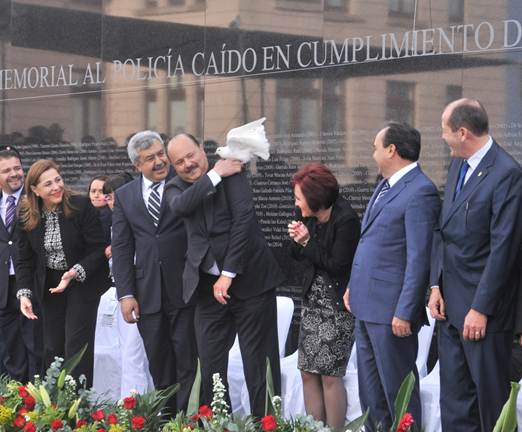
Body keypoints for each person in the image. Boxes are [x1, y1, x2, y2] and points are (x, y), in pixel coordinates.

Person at [165, 133, 284, 417]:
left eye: (191, 155)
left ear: (201, 149)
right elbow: (181, 206)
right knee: (209, 366)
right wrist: (214, 174)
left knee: (259, 366)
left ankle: (265, 423)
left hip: (252, 283)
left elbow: (243, 222)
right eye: (179, 162)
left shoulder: (233, 172)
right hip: (208, 290)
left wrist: (228, 273)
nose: (188, 164)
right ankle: (219, 423)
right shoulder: (176, 187)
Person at [428, 98, 522, 431]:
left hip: (483, 316)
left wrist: (481, 308)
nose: (442, 137)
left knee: (489, 405)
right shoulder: (458, 164)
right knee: (454, 402)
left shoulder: (507, 173)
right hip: (450, 308)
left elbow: (504, 249)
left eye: (444, 130)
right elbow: (444, 230)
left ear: (463, 132)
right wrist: (435, 285)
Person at [344, 122, 440, 431]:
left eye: (375, 147)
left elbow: (418, 258)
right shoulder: (385, 185)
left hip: (391, 312)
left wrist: (404, 310)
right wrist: (352, 286)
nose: (372, 154)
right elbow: (371, 243)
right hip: (365, 305)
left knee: (397, 391)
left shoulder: (421, 191)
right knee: (370, 393)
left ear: (391, 150)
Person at [111, 131, 196, 411]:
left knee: (187, 362)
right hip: (147, 295)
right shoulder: (124, 196)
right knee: (159, 365)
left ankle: (188, 423)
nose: (160, 162)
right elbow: (122, 247)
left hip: (185, 290)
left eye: (162, 154)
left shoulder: (183, 185)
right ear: (137, 165)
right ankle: (167, 420)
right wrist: (125, 294)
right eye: (151, 158)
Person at [16, 159, 110, 385]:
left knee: (76, 346)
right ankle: (56, 407)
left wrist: (73, 273)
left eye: (57, 180)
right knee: (52, 346)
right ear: (35, 191)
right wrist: (24, 294)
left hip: (81, 281)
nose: (56, 187)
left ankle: (78, 406)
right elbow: (24, 259)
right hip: (50, 285)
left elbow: (98, 249)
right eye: (47, 184)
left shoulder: (80, 205)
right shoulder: (26, 214)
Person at [287, 162, 359, 429]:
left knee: (329, 375)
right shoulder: (306, 214)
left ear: (315, 198)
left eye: (298, 197)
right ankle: (313, 427)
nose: (296, 203)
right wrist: (299, 240)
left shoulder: (345, 220)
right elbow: (294, 254)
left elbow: (337, 265)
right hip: (313, 305)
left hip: (337, 307)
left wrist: (307, 242)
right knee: (307, 372)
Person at [93, 173, 154, 399]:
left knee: (135, 353)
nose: (111, 203)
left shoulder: (141, 218)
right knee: (124, 352)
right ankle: (130, 401)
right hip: (122, 294)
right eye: (107, 197)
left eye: (114, 197)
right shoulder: (112, 222)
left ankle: (138, 402)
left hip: (140, 292)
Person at [0, 146, 41, 382]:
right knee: (12, 352)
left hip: (32, 284)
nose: (14, 173)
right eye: (7, 170)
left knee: (35, 348)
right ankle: (17, 408)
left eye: (17, 167)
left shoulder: (35, 200)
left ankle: (40, 405)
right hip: (5, 289)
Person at [88, 175, 111, 244]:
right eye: (93, 191)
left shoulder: (112, 215)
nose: (96, 195)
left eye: (101, 192)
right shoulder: (84, 213)